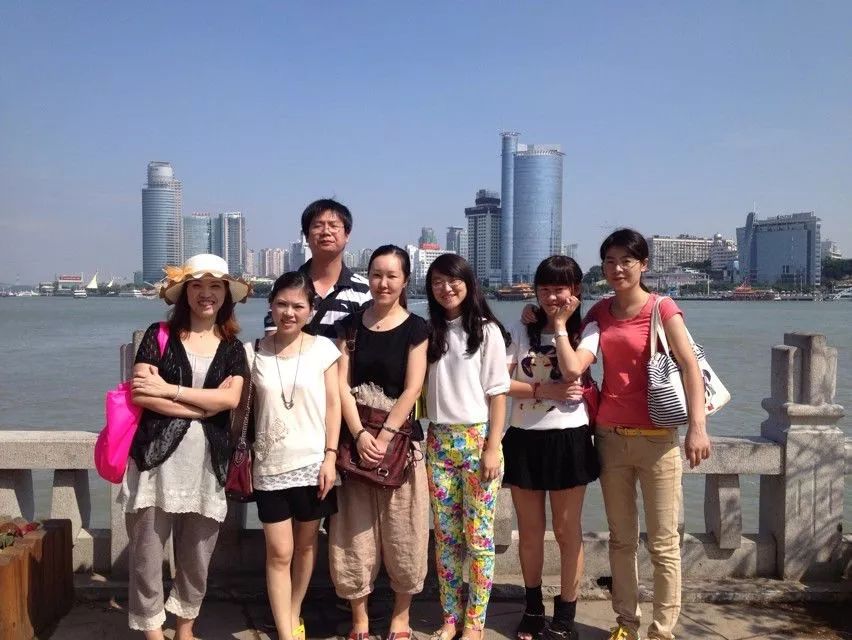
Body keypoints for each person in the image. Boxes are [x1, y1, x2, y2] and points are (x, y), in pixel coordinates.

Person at [585, 229, 711, 640]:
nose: (617, 268)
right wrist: (535, 316)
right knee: (621, 540)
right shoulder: (599, 311)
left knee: (663, 543)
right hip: (610, 437)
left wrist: (697, 427)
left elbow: (690, 366)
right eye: (610, 261)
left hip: (658, 440)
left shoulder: (662, 307)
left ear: (643, 265)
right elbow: (570, 341)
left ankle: (661, 631)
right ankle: (626, 623)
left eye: (627, 260)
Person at [123, 253, 249, 639]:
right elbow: (142, 394)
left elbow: (230, 400)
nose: (206, 294)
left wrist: (171, 390)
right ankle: (151, 630)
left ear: (225, 294)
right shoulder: (158, 335)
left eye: (215, 286)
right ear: (185, 293)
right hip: (154, 462)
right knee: (146, 553)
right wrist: (202, 407)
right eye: (197, 285)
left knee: (197, 555)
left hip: (208, 464)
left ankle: (185, 627)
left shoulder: (233, 348)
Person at [330, 245, 430, 640]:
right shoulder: (350, 327)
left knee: (406, 529)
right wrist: (359, 434)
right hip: (354, 441)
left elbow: (413, 388)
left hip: (401, 443)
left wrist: (385, 435)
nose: (383, 283)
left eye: (392, 276)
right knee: (352, 532)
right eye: (376, 274)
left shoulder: (417, 328)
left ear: (405, 280)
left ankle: (400, 618)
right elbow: (341, 385)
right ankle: (360, 619)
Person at [505, 256, 600, 640]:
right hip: (523, 436)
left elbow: (574, 369)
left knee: (566, 530)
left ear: (575, 289)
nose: (551, 296)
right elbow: (498, 381)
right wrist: (544, 390)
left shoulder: (588, 329)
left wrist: (559, 326)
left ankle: (565, 616)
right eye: (544, 289)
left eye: (559, 288)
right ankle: (532, 608)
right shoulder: (520, 327)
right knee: (529, 532)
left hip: (568, 437)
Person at [249, 271, 342, 640]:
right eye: (282, 304)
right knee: (279, 551)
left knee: (305, 547)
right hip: (269, 466)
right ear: (271, 306)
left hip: (313, 465)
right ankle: (287, 634)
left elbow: (334, 405)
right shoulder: (253, 352)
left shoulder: (324, 350)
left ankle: (292, 612)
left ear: (311, 310)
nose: (289, 312)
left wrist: (331, 457)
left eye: (298, 306)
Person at [423, 253, 511, 640]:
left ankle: (474, 623)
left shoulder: (487, 331)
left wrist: (493, 446)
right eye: (437, 282)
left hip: (477, 441)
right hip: (438, 441)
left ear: (468, 284)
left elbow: (498, 393)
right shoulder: (427, 331)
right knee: (446, 538)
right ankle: (449, 617)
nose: (446, 288)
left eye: (453, 280)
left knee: (478, 539)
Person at [264, 198, 371, 339]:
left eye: (333, 225)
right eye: (318, 225)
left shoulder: (364, 290)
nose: (326, 231)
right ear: (306, 236)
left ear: (347, 235)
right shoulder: (284, 286)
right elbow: (272, 342)